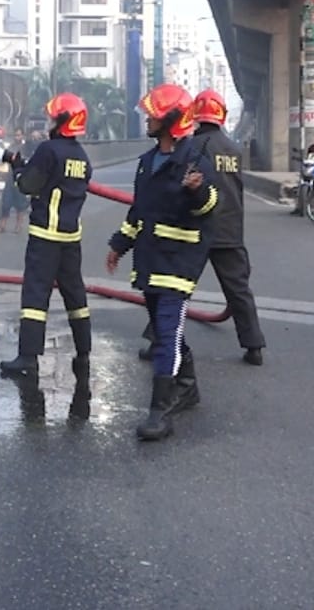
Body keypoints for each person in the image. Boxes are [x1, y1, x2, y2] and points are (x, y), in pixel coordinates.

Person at [106, 84, 218, 441]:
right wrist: (119, 244)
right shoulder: (146, 163)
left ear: (170, 120)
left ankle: (160, 410)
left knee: (166, 332)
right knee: (162, 326)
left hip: (179, 263)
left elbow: (208, 206)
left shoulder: (196, 163)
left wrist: (197, 190)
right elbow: (139, 211)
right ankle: (187, 385)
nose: (147, 119)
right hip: (150, 260)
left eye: (153, 114)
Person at [138, 90, 265, 365]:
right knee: (238, 290)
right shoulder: (234, 149)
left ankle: (158, 342)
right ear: (221, 114)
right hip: (230, 229)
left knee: (172, 289)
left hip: (197, 228)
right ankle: (254, 346)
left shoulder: (192, 147)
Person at [0, 93, 94, 378]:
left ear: (62, 121)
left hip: (45, 237)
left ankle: (28, 358)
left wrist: (16, 165)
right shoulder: (82, 157)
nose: (49, 121)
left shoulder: (49, 150)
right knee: (75, 295)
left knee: (35, 295)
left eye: (54, 116)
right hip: (70, 238)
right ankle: (84, 352)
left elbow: (28, 185)